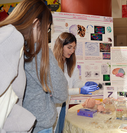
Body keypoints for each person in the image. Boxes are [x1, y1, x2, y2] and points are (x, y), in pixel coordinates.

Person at [0, 0, 68, 132]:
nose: (44, 35)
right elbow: (61, 91)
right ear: (36, 23)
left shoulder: (12, 38)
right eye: (46, 29)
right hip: (35, 124)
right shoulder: (15, 40)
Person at [53, 32, 100, 133]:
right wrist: (79, 90)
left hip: (64, 104)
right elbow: (57, 91)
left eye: (74, 48)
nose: (72, 51)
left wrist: (84, 85)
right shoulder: (52, 63)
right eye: (69, 47)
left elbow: (75, 82)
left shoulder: (71, 62)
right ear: (60, 45)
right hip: (53, 105)